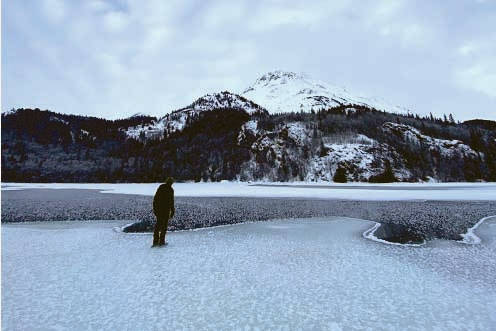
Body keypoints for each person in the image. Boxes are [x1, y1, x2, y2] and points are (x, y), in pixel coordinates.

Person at [152, 177, 175, 247]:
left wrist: (155, 209)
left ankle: (156, 241)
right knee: (162, 226)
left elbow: (155, 199)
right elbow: (171, 202)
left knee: (159, 226)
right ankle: (161, 241)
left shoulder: (163, 187)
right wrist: (172, 210)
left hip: (161, 210)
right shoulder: (170, 189)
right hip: (164, 210)